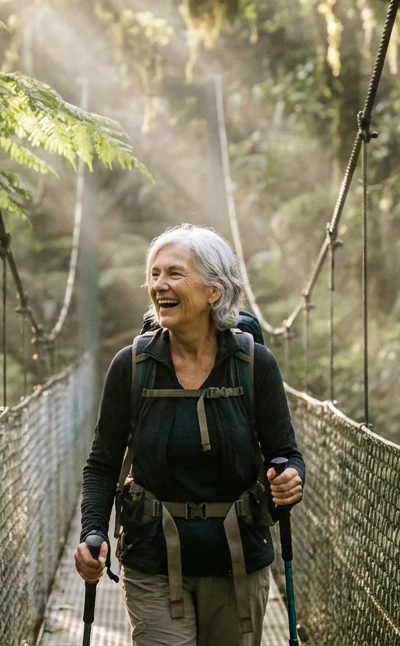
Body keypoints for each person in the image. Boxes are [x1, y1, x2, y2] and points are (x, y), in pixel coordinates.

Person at [75, 224, 305, 646]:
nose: (158, 285)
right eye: (155, 274)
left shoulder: (255, 365)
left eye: (174, 274)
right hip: (152, 558)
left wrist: (291, 477)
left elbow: (285, 454)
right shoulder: (131, 367)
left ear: (214, 291)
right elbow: (102, 464)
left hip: (238, 562)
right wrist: (94, 532)